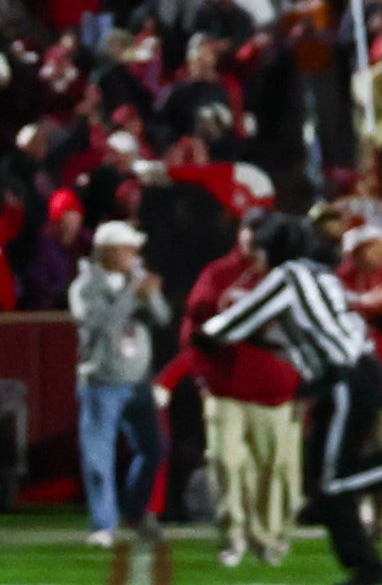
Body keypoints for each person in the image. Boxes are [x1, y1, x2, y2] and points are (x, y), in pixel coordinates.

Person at [202, 212, 382, 585]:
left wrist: (205, 331)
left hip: (345, 379)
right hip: (352, 375)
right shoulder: (320, 274)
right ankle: (367, 566)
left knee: (330, 483)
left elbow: (233, 325)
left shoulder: (288, 277)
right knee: (324, 483)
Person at [180, 220, 313, 567]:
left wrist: (305, 382)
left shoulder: (288, 277)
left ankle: (268, 537)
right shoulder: (218, 274)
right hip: (226, 387)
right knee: (226, 462)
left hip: (276, 388)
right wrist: (202, 380)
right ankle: (234, 535)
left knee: (275, 470)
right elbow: (195, 329)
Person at [69, 222, 163, 541]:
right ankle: (103, 524)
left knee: (153, 448)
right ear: (109, 252)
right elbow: (100, 324)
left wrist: (150, 295)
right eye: (129, 249)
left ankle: (134, 511)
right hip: (102, 381)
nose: (136, 255)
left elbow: (162, 318)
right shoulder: (84, 286)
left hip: (138, 381)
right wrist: (129, 295)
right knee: (99, 456)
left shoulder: (133, 280)